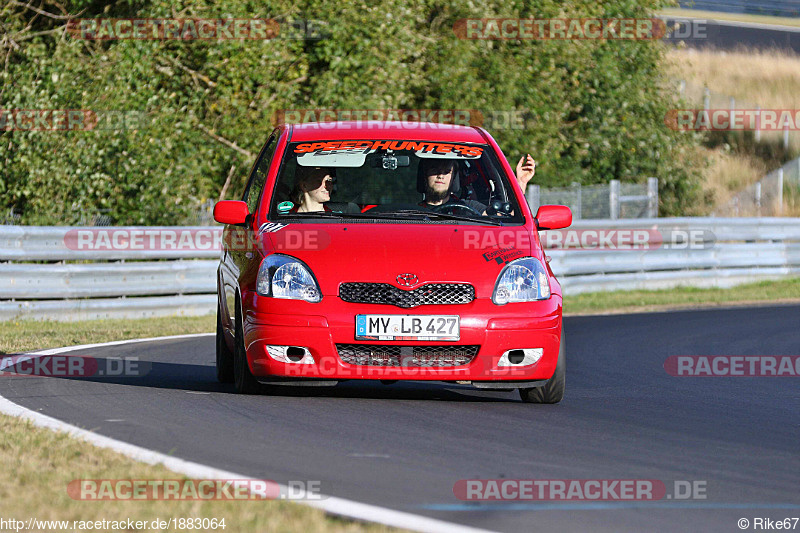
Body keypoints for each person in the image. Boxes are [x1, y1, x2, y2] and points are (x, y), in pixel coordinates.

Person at [418, 154, 537, 213]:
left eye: (446, 172)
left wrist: (521, 183)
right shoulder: (411, 213)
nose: (440, 176)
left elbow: (509, 217)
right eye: (435, 171)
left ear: (453, 178)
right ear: (424, 175)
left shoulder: (469, 208)